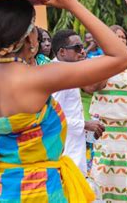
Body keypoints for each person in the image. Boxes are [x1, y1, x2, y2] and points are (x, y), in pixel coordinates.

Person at [0, 0, 127, 202]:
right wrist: (71, 3)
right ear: (30, 37)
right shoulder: (40, 78)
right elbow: (123, 56)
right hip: (40, 192)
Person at [89, 25, 127, 202]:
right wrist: (112, 63)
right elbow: (93, 88)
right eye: (116, 37)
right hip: (108, 127)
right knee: (107, 166)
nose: (121, 40)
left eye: (123, 37)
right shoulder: (99, 61)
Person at [51, 29, 106, 175]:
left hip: (74, 146)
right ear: (62, 52)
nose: (82, 52)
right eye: (77, 48)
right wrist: (86, 124)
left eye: (82, 47)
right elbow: (52, 117)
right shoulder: (57, 75)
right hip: (64, 151)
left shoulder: (68, 71)